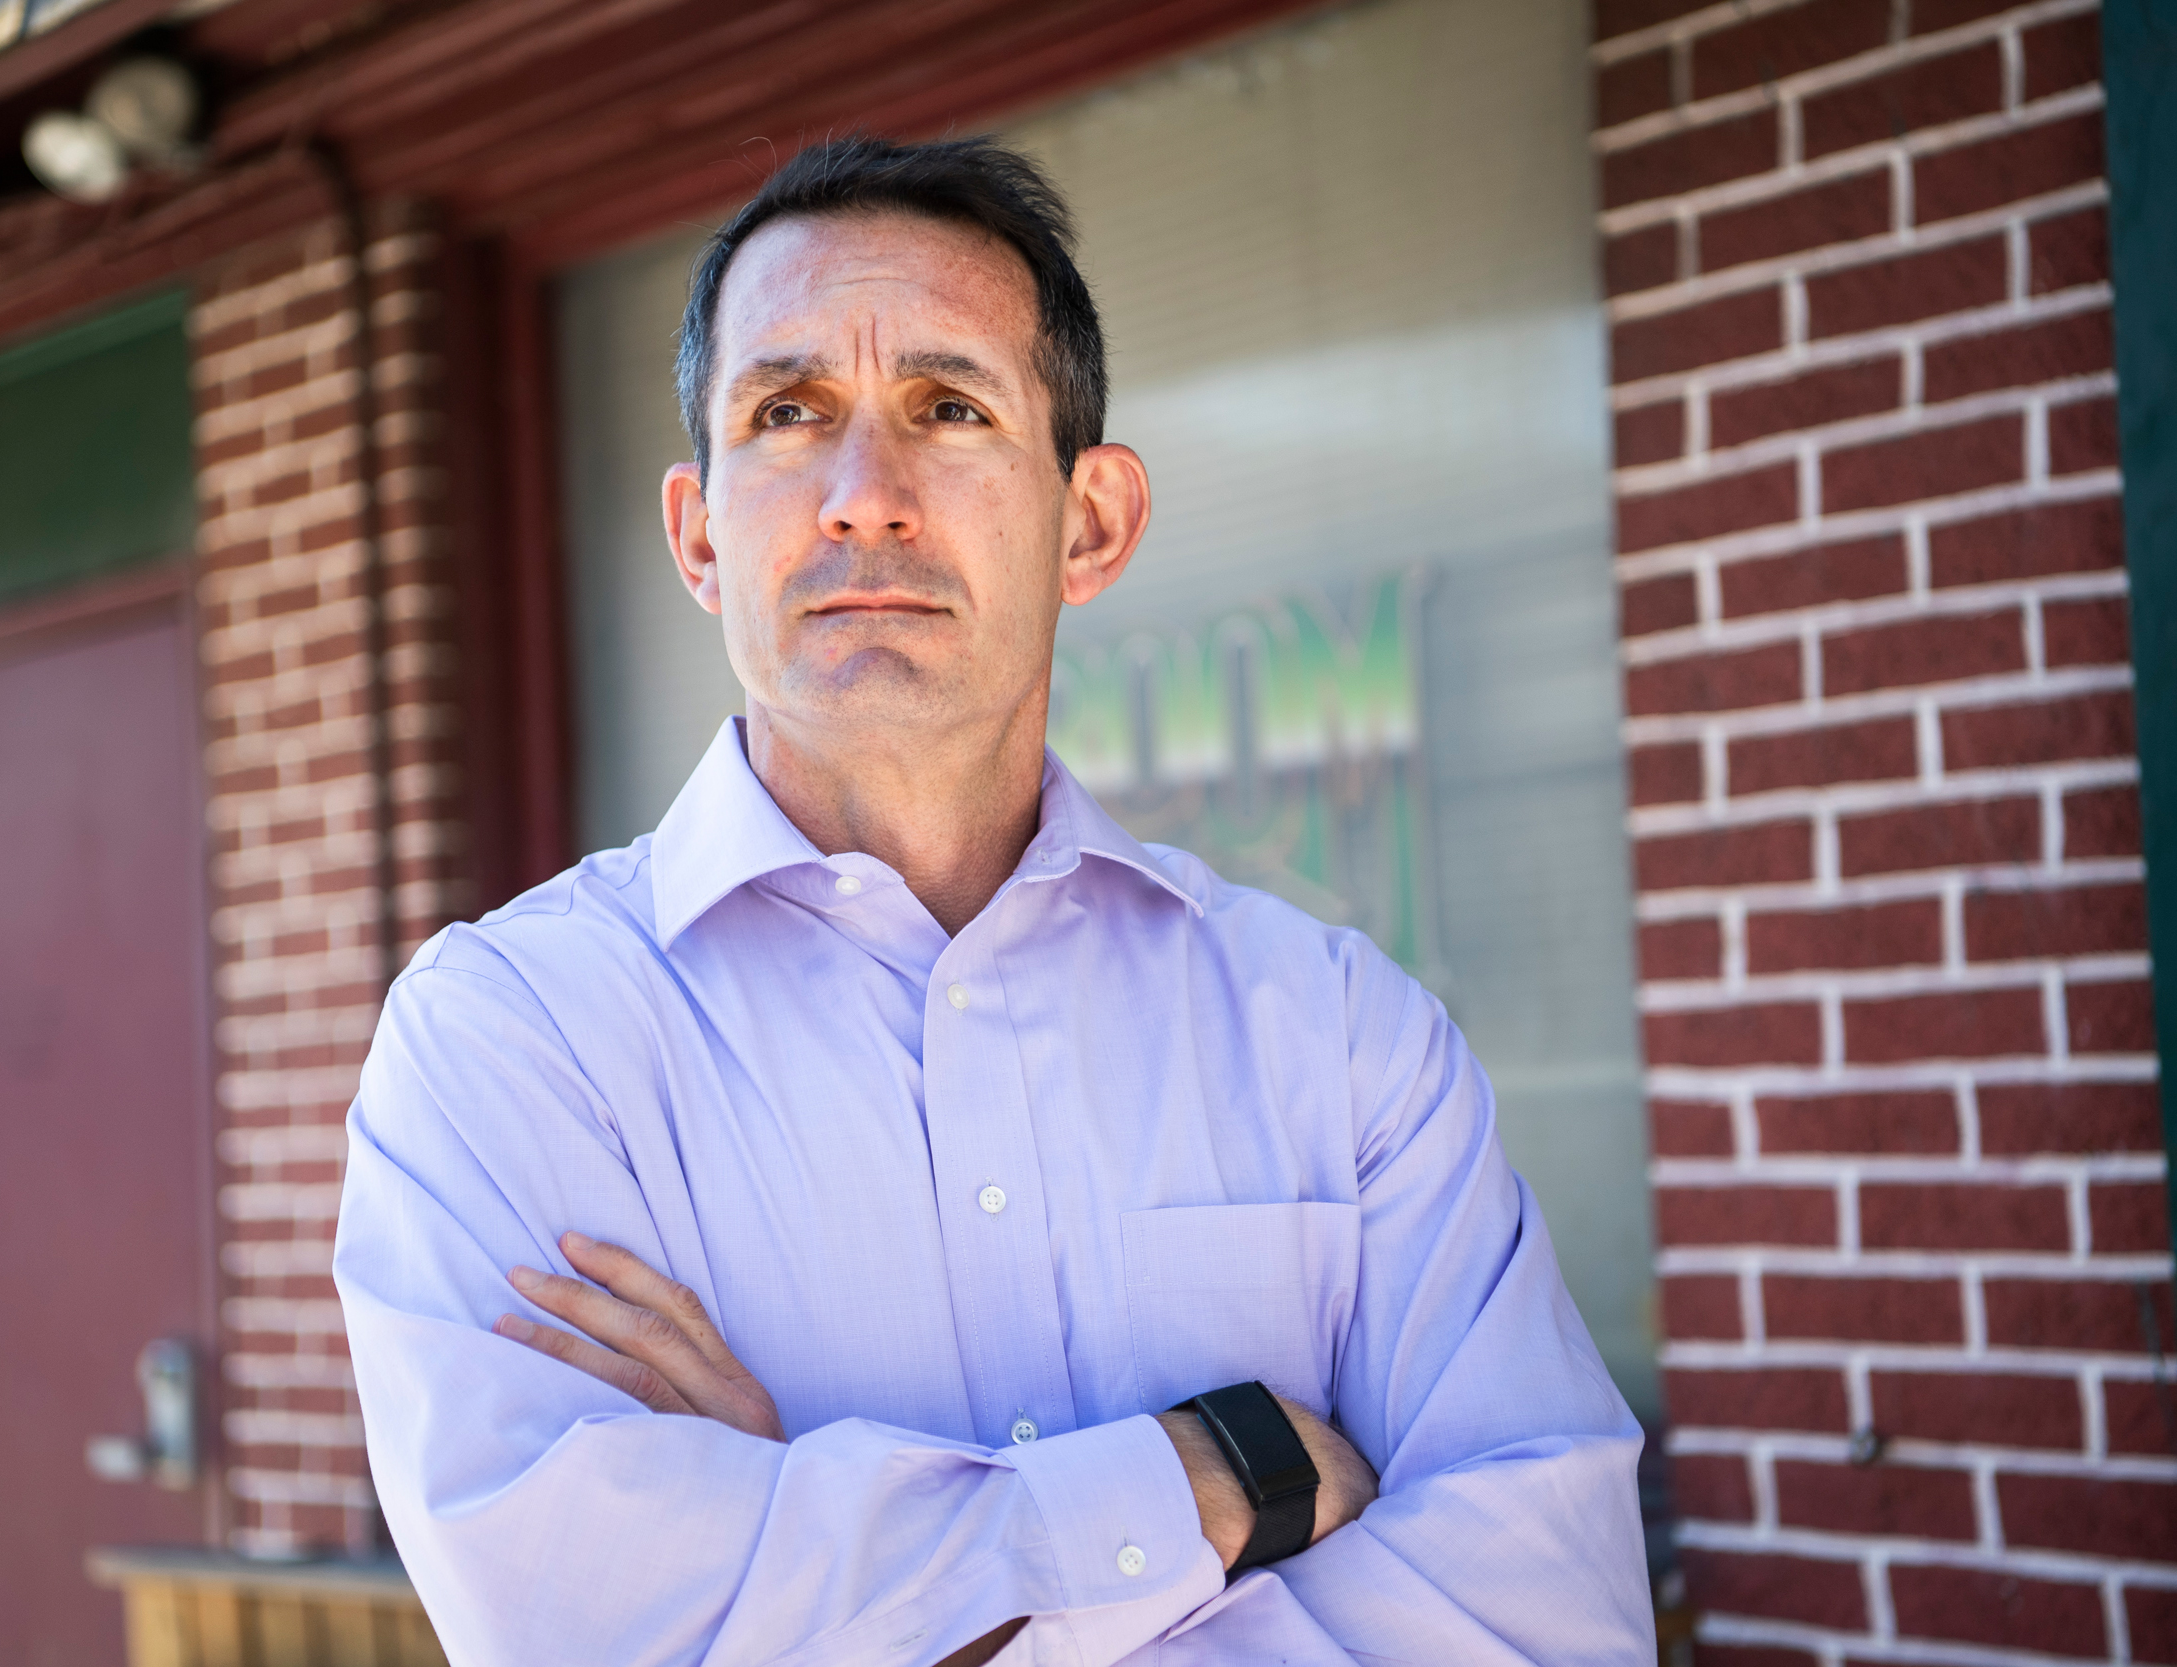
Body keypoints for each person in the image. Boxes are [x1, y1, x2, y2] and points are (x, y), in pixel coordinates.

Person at [334, 135, 1654, 1665]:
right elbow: (600, 1628)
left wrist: (817, 1551)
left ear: (1090, 521)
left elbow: (1543, 1617)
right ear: (700, 533)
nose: (862, 497)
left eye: (948, 410)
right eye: (788, 412)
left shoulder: (1341, 1035)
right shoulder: (512, 1043)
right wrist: (1217, 1478)